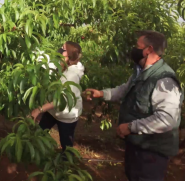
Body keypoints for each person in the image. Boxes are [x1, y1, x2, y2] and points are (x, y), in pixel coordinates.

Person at [85, 30, 183, 181]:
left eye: (137, 46)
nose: (133, 50)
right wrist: (102, 93)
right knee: (132, 175)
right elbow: (125, 89)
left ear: (148, 50)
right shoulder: (141, 72)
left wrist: (131, 127)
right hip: (137, 145)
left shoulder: (164, 80)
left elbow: (166, 119)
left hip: (151, 152)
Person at [31, 41, 85, 151]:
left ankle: (66, 163)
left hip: (67, 115)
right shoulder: (60, 65)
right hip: (52, 111)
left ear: (68, 57)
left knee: (66, 144)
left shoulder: (71, 75)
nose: (59, 51)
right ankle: (36, 153)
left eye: (63, 50)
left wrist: (39, 109)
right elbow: (42, 58)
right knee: (40, 132)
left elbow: (61, 100)